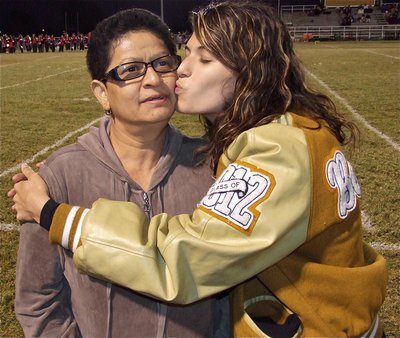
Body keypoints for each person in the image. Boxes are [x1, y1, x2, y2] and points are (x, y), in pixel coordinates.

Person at [10, 0, 387, 337]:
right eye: (185, 54)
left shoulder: (265, 153)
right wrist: (68, 174)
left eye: (195, 60)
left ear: (251, 73)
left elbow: (185, 259)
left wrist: (55, 215)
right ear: (101, 92)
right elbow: (39, 300)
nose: (175, 74)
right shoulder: (277, 139)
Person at [10, 8, 229, 338]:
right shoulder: (58, 177)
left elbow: (229, 294)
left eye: (163, 64)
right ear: (101, 93)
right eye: (131, 70)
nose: (153, 79)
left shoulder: (216, 167)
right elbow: (38, 300)